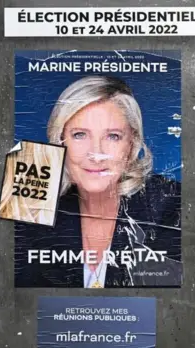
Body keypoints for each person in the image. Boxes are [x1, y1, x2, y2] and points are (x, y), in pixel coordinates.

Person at [14, 76, 182, 288]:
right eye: (79, 135)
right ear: (59, 140)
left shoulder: (173, 203)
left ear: (132, 145)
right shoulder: (30, 192)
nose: (96, 154)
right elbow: (12, 303)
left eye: (112, 136)